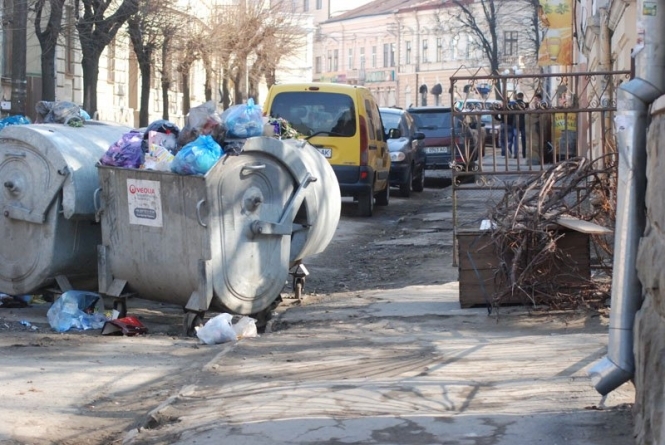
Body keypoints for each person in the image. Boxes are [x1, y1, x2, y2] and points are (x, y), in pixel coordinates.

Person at [514, 92, 529, 158]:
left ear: (517, 96)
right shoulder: (525, 104)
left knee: (516, 139)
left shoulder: (513, 104)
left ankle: (516, 154)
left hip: (515, 123)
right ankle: (524, 154)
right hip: (523, 123)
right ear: (522, 97)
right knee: (524, 139)